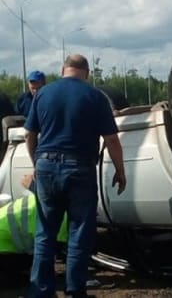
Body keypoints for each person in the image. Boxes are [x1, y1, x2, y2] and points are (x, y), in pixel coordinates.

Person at [24, 54, 126, 298]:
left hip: (46, 166)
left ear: (63, 70)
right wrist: (121, 171)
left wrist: (37, 162)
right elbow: (111, 139)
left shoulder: (43, 94)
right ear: (86, 73)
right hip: (80, 168)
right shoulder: (94, 96)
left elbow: (29, 134)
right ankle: (75, 290)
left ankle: (41, 292)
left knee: (45, 233)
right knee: (79, 231)